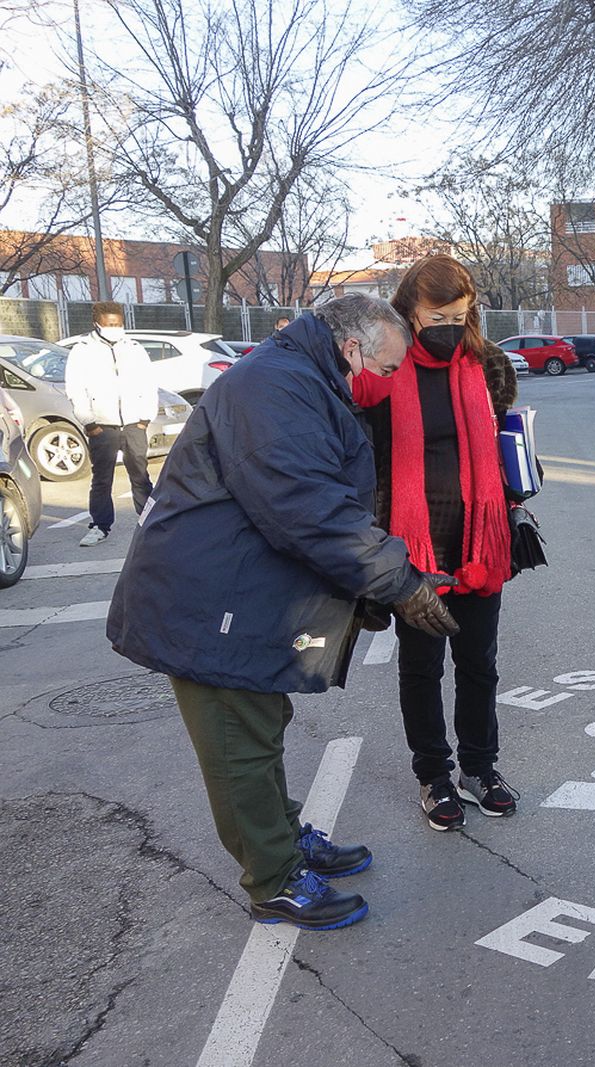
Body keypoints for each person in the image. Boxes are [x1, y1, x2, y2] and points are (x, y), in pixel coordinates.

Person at [106, 294, 460, 932]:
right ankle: (273, 880)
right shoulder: (276, 384)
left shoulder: (297, 375)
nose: (382, 384)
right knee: (238, 742)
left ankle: (284, 839)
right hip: (211, 599)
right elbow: (306, 505)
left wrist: (376, 583)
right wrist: (395, 581)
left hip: (236, 592)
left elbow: (312, 503)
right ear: (352, 348)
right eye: (383, 370)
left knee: (259, 726)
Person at [360, 255, 521, 832]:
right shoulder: (385, 368)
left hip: (481, 540)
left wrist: (521, 477)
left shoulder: (489, 364)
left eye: (462, 312)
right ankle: (434, 775)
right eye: (438, 314)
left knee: (479, 663)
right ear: (410, 310)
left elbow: (505, 439)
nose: (453, 324)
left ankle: (480, 768)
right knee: (422, 666)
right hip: (411, 545)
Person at [65, 301, 158, 547]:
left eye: (118, 324)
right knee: (102, 478)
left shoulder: (134, 349)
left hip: (133, 423)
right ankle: (99, 526)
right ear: (97, 323)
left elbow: (148, 384)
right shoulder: (83, 350)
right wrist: (89, 422)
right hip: (102, 424)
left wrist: (145, 418)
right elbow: (76, 389)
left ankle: (150, 521)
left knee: (140, 474)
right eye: (109, 324)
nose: (115, 328)